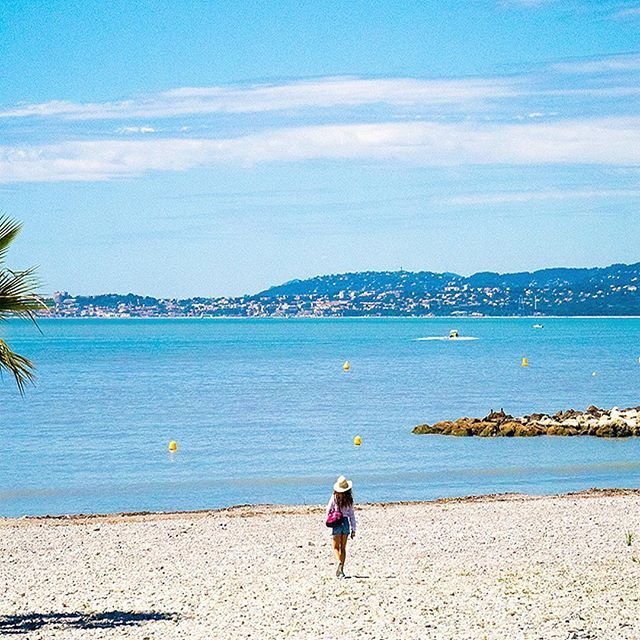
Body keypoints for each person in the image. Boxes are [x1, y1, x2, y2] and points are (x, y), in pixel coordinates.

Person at [326, 475, 356, 578]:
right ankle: (341, 570)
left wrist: (328, 520)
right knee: (343, 548)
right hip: (346, 523)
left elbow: (328, 509)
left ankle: (339, 562)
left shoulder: (335, 497)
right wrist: (353, 529)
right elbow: (352, 515)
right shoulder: (349, 499)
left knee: (335, 547)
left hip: (337, 522)